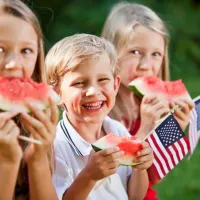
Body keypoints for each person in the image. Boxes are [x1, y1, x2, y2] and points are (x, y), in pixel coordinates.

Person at [101, 2, 194, 199]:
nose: (146, 65)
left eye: (155, 55)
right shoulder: (100, 109)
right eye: (135, 52)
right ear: (111, 53)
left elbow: (154, 175)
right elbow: (113, 180)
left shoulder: (152, 105)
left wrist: (175, 126)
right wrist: (145, 128)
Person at [45, 33, 154, 200]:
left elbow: (134, 196)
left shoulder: (118, 130)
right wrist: (89, 176)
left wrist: (140, 168)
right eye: (79, 83)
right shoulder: (56, 147)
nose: (93, 91)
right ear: (57, 93)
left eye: (102, 80)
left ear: (116, 85)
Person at [0, 0, 59, 199]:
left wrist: (38, 157)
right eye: (0, 50)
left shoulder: (33, 123)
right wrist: (7, 163)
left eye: (26, 51)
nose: (13, 64)